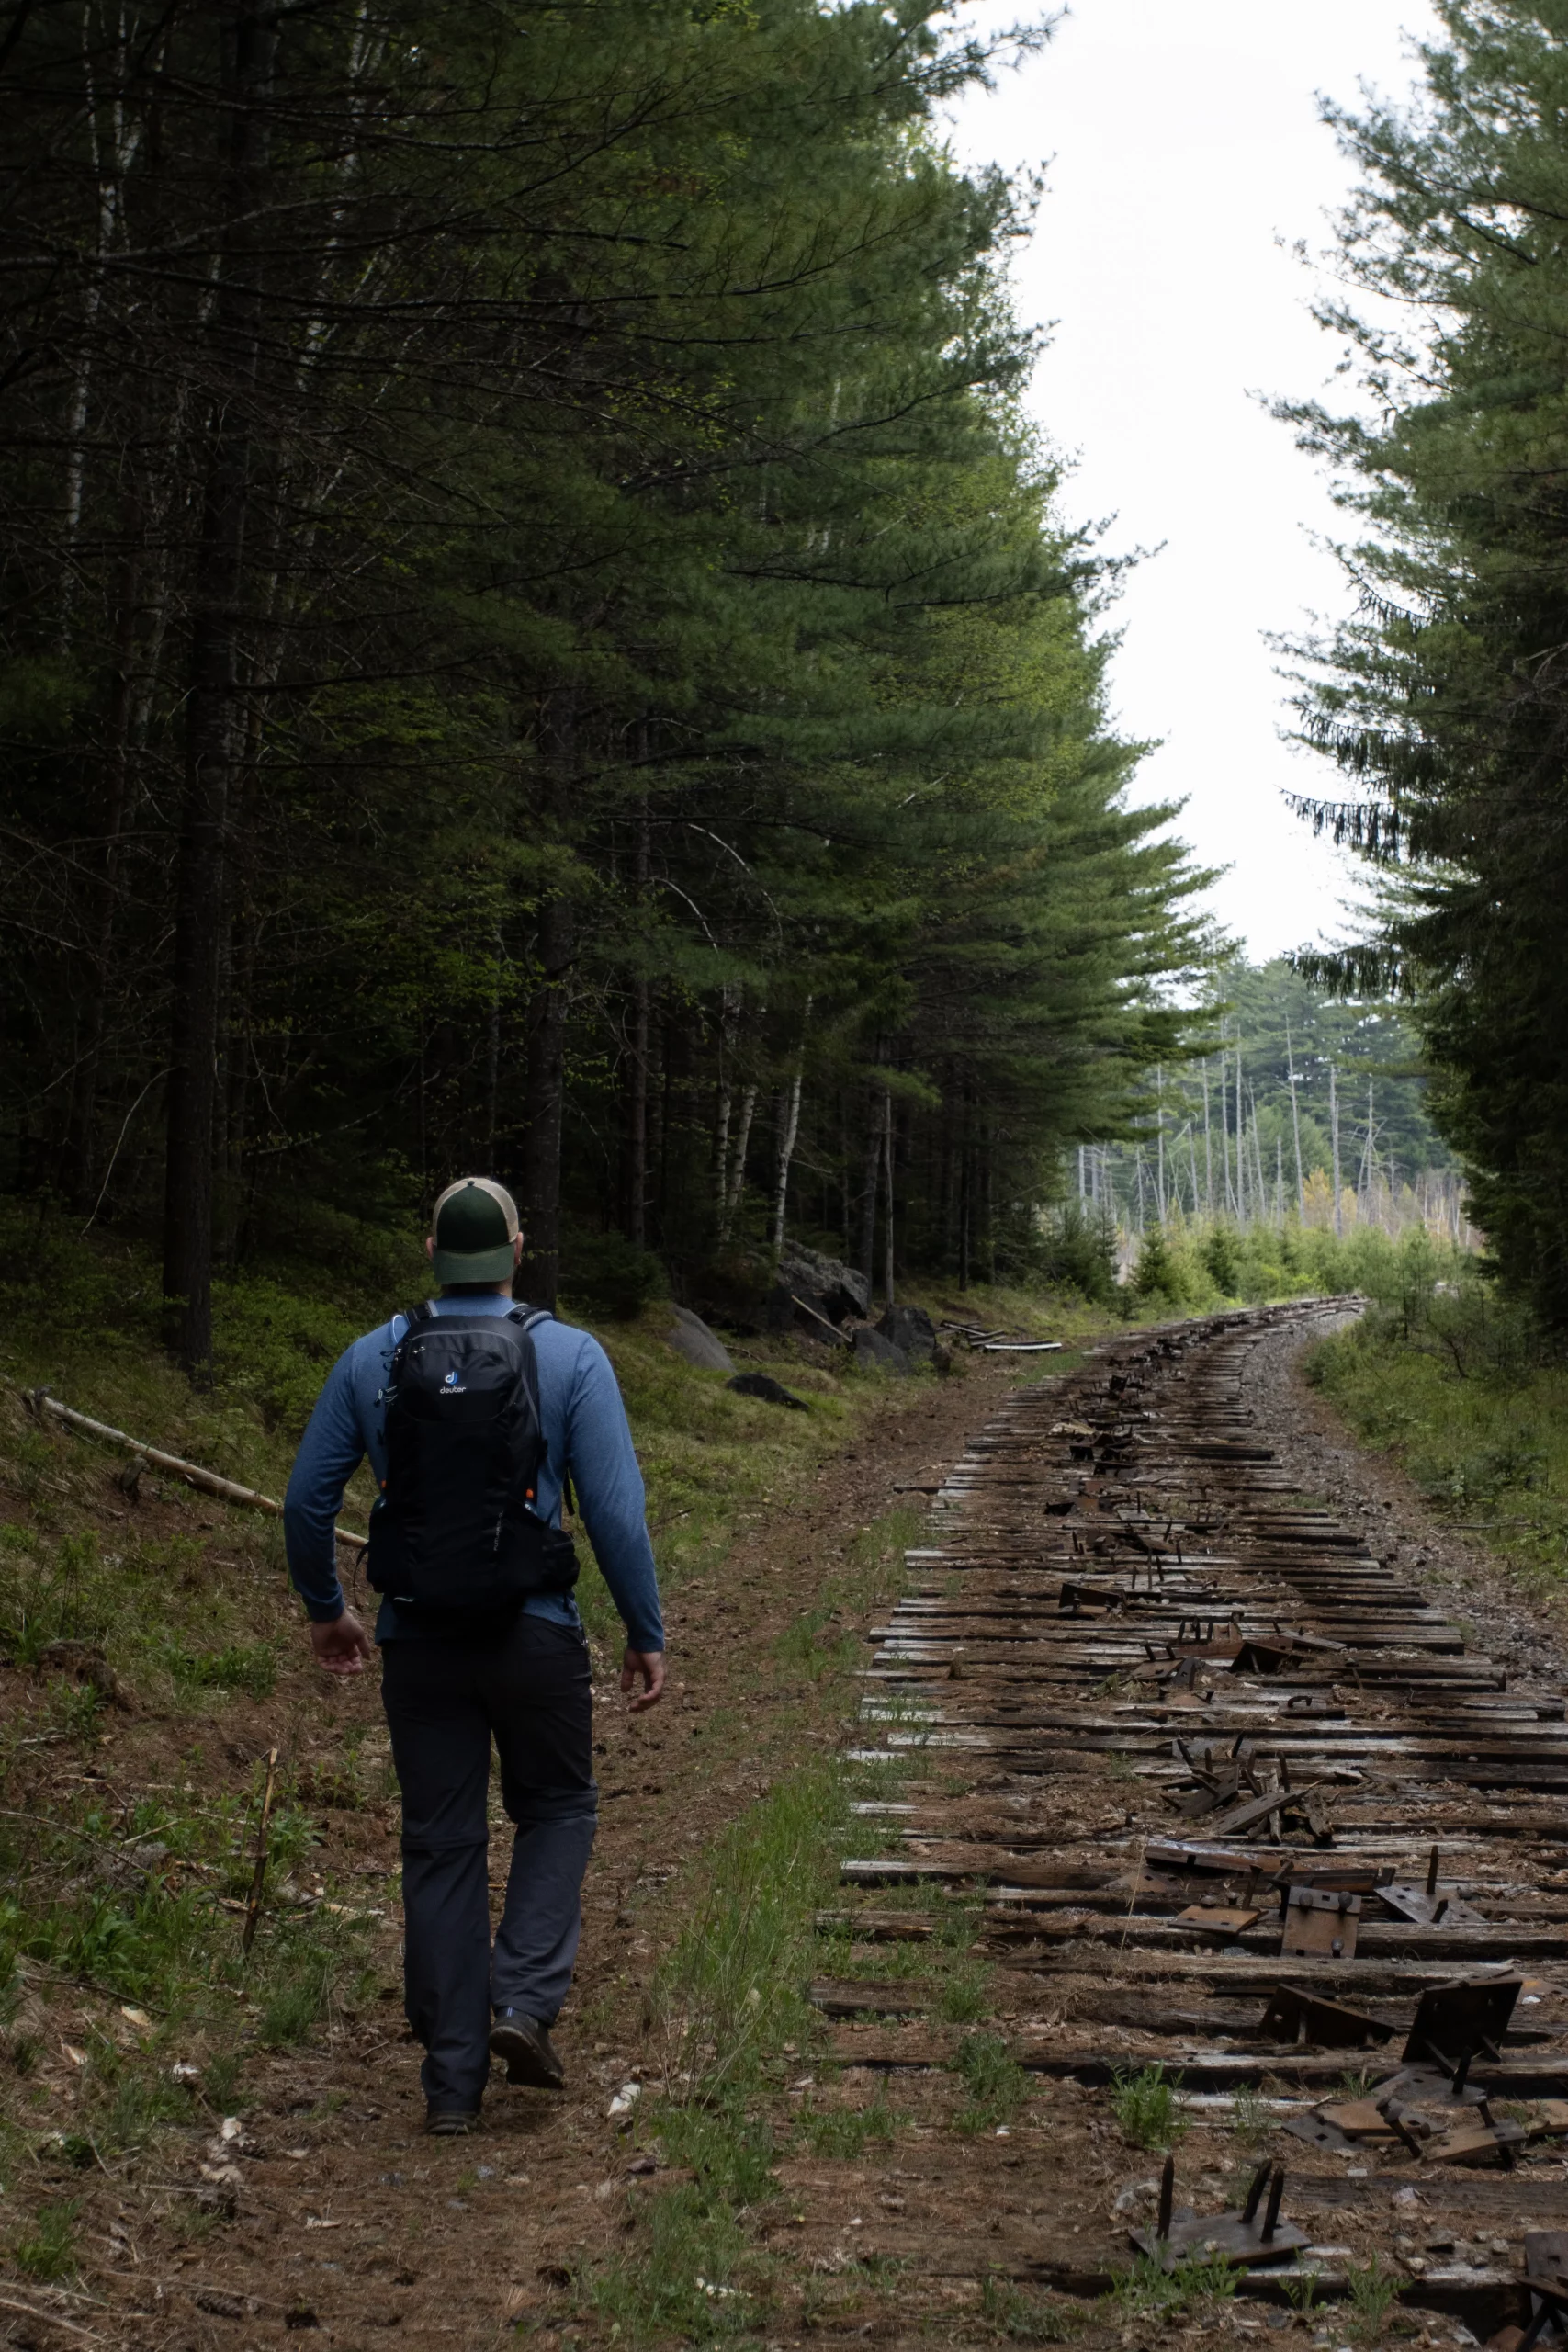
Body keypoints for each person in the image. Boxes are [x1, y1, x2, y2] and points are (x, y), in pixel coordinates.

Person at [282, 1177, 665, 2135]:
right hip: (535, 1634)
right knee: (559, 1805)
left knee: (441, 1844)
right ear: (518, 1250)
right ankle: (524, 2002)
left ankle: (451, 2082)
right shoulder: (570, 1355)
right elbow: (615, 1514)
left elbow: (305, 1503)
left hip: (419, 1645)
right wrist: (643, 1630)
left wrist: (328, 1609)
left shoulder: (374, 1357)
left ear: (430, 1252)